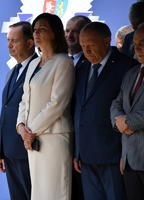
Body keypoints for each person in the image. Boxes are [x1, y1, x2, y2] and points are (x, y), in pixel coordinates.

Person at [73, 22, 139, 200]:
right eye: (83, 46)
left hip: (113, 156)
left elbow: (127, 108)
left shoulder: (127, 67)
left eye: (91, 45)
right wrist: (77, 151)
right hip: (86, 156)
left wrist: (122, 154)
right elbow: (80, 109)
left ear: (106, 41)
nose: (86, 51)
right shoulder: (81, 68)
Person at [16, 13, 74, 200]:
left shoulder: (64, 62)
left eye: (42, 29)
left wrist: (30, 130)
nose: (36, 33)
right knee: (39, 192)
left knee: (55, 191)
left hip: (54, 139)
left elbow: (57, 104)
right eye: (34, 30)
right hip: (33, 139)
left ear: (55, 33)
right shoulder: (33, 64)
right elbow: (25, 99)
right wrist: (21, 127)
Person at [0, 21, 37, 200]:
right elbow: (5, 112)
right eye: (8, 40)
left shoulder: (39, 68)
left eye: (14, 41)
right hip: (10, 150)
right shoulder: (12, 72)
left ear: (29, 43)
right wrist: (1, 150)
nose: (9, 45)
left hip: (29, 149)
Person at [110, 23, 144, 200]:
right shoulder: (131, 73)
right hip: (130, 161)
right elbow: (116, 103)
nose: (137, 48)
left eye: (143, 43)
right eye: (135, 43)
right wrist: (119, 122)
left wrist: (128, 122)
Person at [65, 15, 91, 200]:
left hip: (85, 145)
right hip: (61, 143)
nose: (70, 35)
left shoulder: (92, 63)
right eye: (67, 31)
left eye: (75, 31)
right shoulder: (60, 61)